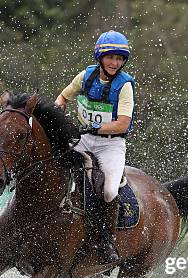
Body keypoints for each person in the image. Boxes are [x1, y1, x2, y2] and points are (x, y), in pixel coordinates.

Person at [55, 30, 135, 264]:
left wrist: (94, 129)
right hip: (84, 139)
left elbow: (123, 123)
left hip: (110, 146)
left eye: (119, 59)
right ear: (100, 57)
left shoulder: (125, 85)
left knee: (110, 191)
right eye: (111, 57)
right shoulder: (86, 76)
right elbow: (63, 97)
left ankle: (106, 240)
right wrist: (58, 110)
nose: (115, 63)